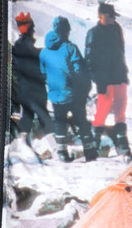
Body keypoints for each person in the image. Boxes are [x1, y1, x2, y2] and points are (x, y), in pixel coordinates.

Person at [39, 16, 97, 162]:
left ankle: (62, 153)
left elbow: (43, 72)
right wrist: (83, 88)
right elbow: (79, 71)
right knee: (82, 122)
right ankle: (90, 153)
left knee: (60, 123)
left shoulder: (44, 52)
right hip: (73, 94)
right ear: (66, 31)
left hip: (55, 95)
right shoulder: (70, 48)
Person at [85, 2, 132, 158]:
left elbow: (121, 52)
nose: (113, 19)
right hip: (103, 79)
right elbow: (89, 58)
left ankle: (123, 144)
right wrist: (96, 78)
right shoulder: (94, 33)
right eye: (110, 16)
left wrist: (124, 72)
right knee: (102, 110)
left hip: (119, 76)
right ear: (101, 16)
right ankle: (94, 143)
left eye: (114, 16)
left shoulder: (117, 29)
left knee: (120, 109)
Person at [11, 11, 52, 145]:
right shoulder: (29, 46)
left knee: (27, 117)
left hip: (23, 89)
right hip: (35, 88)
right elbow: (36, 63)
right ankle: (56, 147)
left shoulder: (17, 47)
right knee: (44, 118)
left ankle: (22, 144)